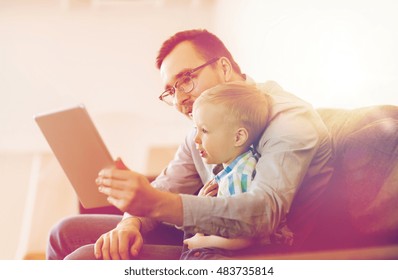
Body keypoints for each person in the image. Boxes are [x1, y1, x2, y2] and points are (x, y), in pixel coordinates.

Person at [47, 29, 334, 260]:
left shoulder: (288, 119)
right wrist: (130, 223)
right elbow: (168, 184)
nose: (180, 98)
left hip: (255, 254)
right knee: (63, 232)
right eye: (170, 91)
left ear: (223, 68)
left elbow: (263, 212)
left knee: (84, 260)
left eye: (185, 80)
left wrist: (160, 204)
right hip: (205, 237)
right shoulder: (200, 124)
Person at [183, 82, 275, 251]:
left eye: (204, 130)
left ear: (238, 137)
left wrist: (201, 242)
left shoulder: (237, 177)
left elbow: (244, 239)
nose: (196, 139)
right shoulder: (242, 164)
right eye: (196, 129)